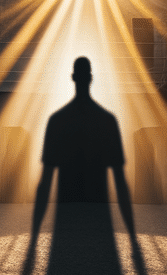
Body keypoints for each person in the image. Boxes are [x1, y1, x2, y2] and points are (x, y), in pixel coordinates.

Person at [31, 56, 135, 242]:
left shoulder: (57, 121)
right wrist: (133, 237)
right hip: (100, 223)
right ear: (90, 78)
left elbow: (45, 183)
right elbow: (120, 182)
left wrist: (33, 239)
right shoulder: (107, 121)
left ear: (73, 78)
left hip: (65, 224)